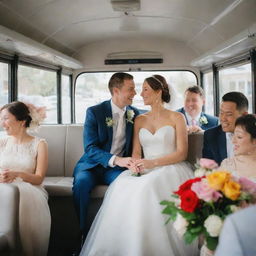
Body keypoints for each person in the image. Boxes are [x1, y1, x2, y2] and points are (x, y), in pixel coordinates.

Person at [80, 75, 198, 256]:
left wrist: (153, 162)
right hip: (135, 166)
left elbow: (182, 153)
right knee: (123, 185)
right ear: (116, 91)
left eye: (144, 90)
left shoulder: (177, 117)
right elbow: (136, 151)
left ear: (158, 92)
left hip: (170, 167)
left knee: (146, 187)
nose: (139, 94)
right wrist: (135, 165)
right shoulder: (139, 119)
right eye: (135, 89)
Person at [73, 72, 140, 235]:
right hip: (91, 166)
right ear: (116, 91)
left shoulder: (135, 113)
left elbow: (155, 120)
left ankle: (121, 233)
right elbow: (90, 148)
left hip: (115, 171)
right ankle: (82, 233)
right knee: (81, 184)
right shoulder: (94, 112)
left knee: (129, 185)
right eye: (130, 89)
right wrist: (117, 160)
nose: (135, 93)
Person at [0, 101, 50, 256]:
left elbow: (38, 178)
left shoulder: (39, 144)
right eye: (1, 119)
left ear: (21, 121)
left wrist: (17, 174)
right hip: (3, 186)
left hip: (29, 188)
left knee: (22, 200)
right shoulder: (2, 142)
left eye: (6, 118)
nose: (2, 123)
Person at [202, 91, 248, 165]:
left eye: (229, 114)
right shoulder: (211, 135)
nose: (223, 119)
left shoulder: (252, 135)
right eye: (221, 113)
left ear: (244, 115)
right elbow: (207, 168)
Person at [220, 114, 256, 181]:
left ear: (254, 141)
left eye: (239, 137)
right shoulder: (227, 165)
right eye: (233, 135)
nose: (233, 141)